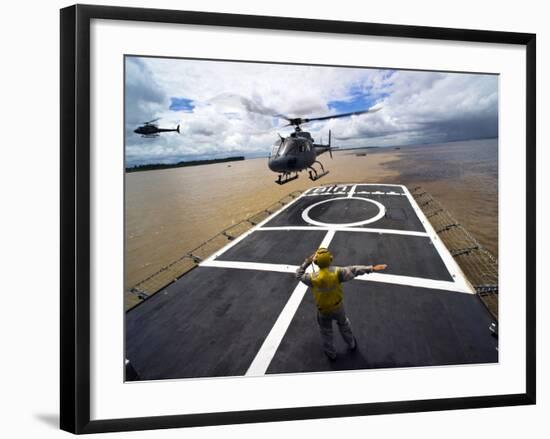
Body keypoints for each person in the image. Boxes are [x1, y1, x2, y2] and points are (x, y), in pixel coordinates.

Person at [295, 247, 387, 360]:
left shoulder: (312, 278)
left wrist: (307, 262)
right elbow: (354, 270)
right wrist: (371, 268)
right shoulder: (337, 272)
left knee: (326, 332)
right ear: (330, 259)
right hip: (338, 308)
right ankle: (351, 343)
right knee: (344, 325)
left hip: (323, 311)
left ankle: (331, 353)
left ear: (316, 262)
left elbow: (298, 274)